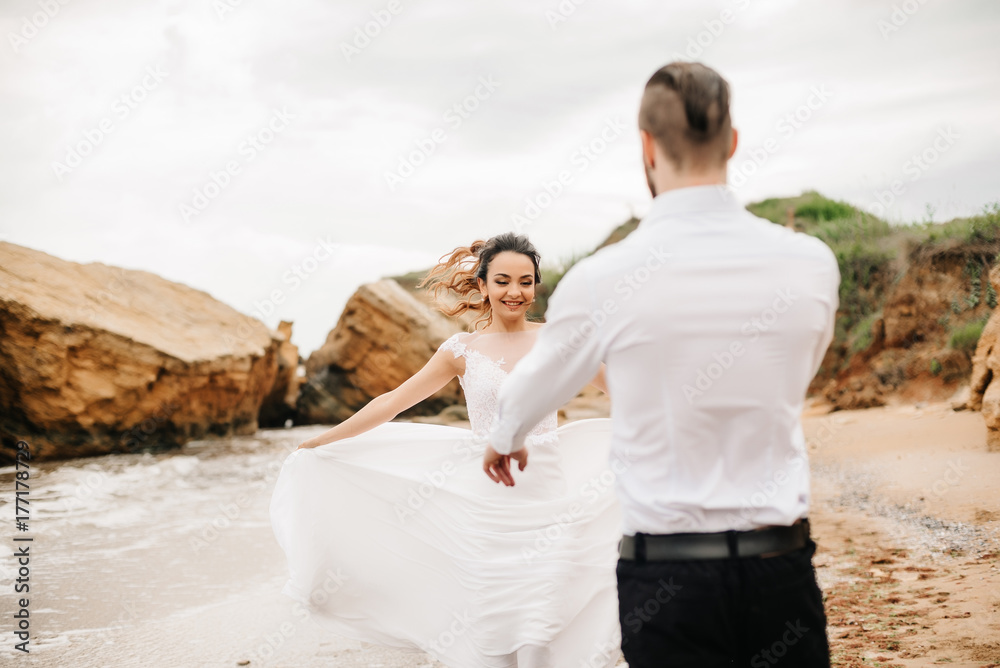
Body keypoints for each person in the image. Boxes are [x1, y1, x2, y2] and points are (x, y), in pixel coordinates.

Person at [484, 61, 840, 667]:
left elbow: (531, 385)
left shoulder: (603, 279)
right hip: (779, 566)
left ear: (646, 147)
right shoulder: (811, 263)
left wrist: (505, 436)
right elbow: (792, 376)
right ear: (731, 142)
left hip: (667, 582)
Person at [269, 232, 624, 668]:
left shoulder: (560, 339)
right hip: (488, 508)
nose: (516, 292)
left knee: (540, 629)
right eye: (504, 281)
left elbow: (623, 393)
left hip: (549, 503)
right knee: (496, 631)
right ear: (482, 286)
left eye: (526, 281)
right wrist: (323, 440)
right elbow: (393, 402)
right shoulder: (460, 351)